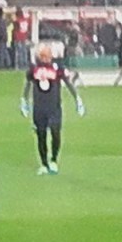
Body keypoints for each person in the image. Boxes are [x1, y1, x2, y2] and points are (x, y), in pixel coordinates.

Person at [21, 44, 85, 175]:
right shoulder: (34, 69)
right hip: (39, 107)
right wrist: (24, 100)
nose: (45, 59)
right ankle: (44, 164)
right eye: (43, 56)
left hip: (54, 107)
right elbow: (28, 84)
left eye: (47, 56)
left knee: (56, 132)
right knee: (41, 135)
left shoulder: (57, 68)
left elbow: (68, 83)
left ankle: (54, 160)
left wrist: (77, 99)